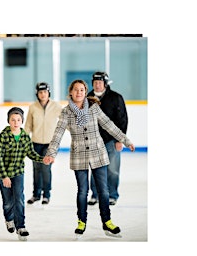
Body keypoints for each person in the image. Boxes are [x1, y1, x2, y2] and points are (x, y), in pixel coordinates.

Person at [42, 79, 135, 239]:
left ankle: (107, 222)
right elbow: (58, 134)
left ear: (86, 93)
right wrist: (51, 153)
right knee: (82, 191)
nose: (79, 93)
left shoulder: (93, 108)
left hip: (98, 153)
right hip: (79, 157)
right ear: (70, 92)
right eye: (76, 90)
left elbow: (109, 125)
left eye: (82, 90)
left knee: (103, 191)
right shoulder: (66, 113)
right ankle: (81, 222)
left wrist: (125, 140)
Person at [0, 107, 45, 241]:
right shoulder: (3, 136)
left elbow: (31, 153)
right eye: (13, 120)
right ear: (8, 121)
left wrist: (42, 159)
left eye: (18, 120)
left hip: (18, 172)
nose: (16, 122)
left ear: (22, 121)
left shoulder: (24, 137)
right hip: (4, 173)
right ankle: (9, 218)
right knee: (8, 201)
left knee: (19, 199)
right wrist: (4, 176)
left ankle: (21, 226)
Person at [87, 71, 128, 206]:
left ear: (105, 83)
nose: (97, 85)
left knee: (112, 170)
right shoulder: (88, 98)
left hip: (112, 140)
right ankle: (96, 195)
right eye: (95, 82)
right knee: (95, 170)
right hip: (94, 141)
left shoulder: (116, 97)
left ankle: (112, 195)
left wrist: (119, 139)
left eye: (100, 82)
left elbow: (122, 120)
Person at [24, 82, 63, 205]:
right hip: (35, 143)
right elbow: (28, 125)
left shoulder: (56, 106)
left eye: (45, 92)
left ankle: (46, 195)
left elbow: (64, 122)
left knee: (46, 169)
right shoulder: (33, 107)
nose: (43, 94)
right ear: (37, 93)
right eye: (40, 92)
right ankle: (36, 194)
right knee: (36, 169)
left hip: (50, 144)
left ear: (48, 93)